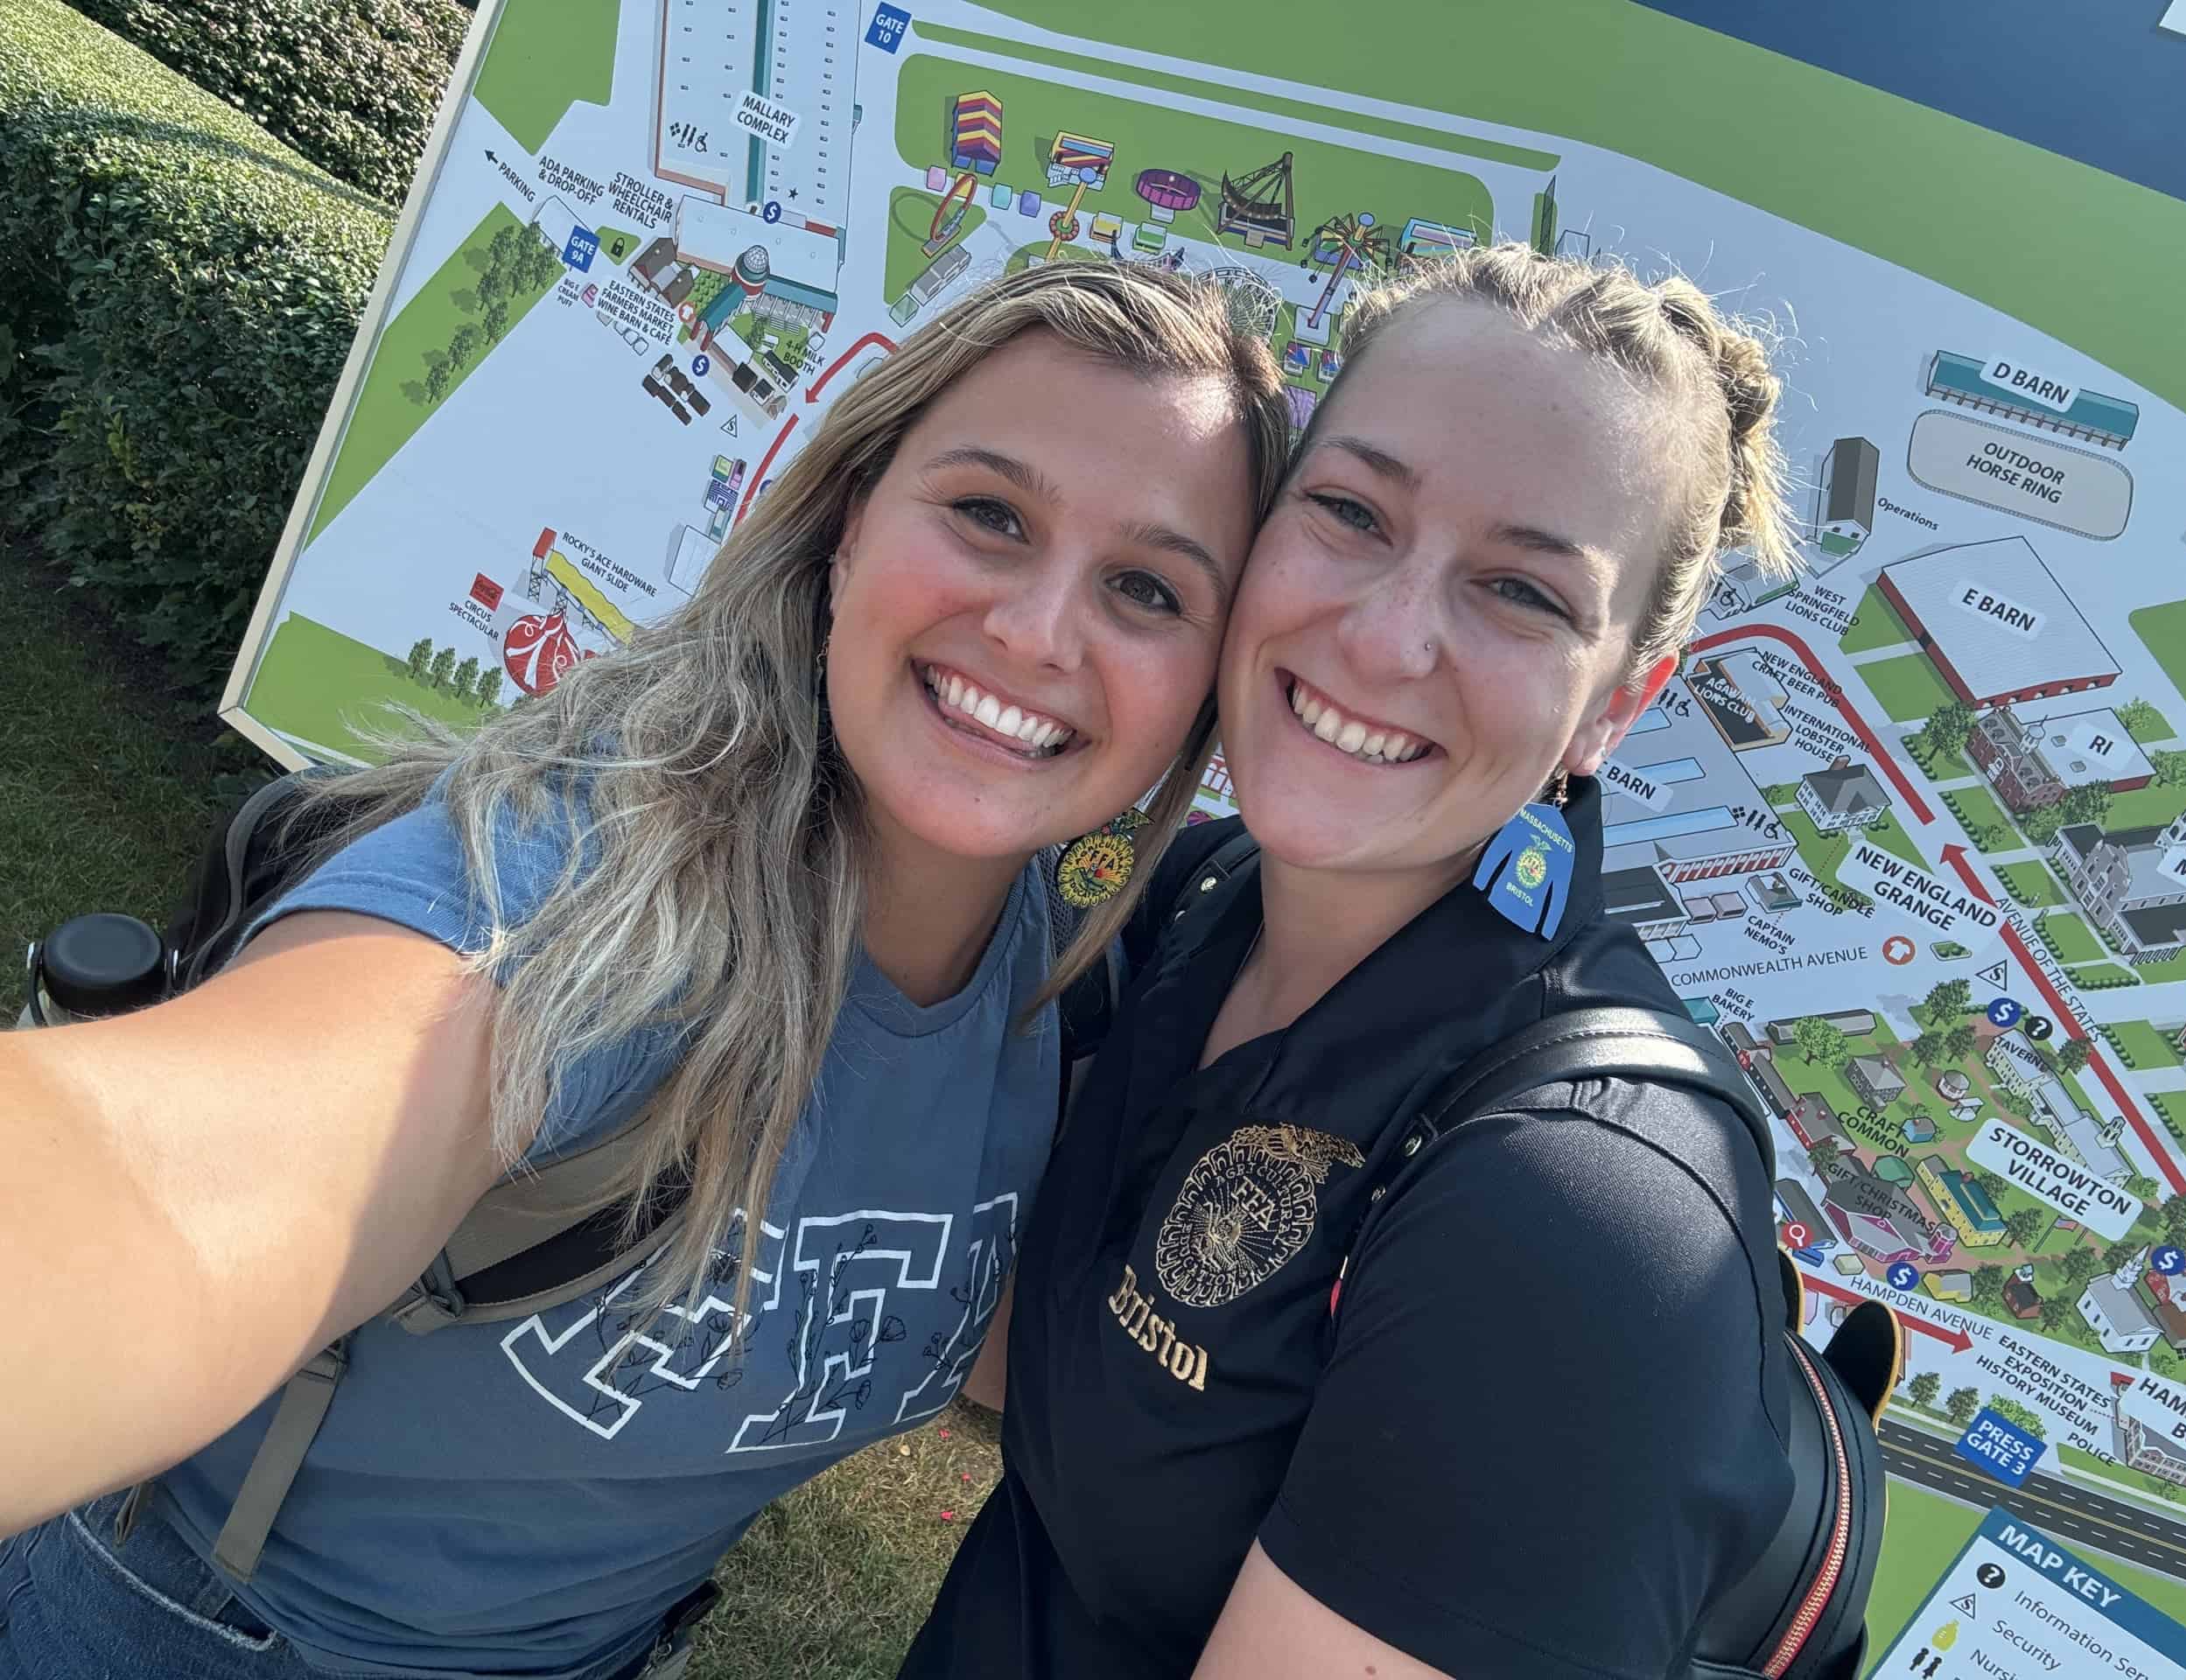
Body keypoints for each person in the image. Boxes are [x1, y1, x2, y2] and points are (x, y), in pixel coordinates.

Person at [0, 262, 1291, 1680]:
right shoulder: (572, 888)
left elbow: (977, 1336)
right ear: (847, 530)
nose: (1041, 631)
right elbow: (181, 1185)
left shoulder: (1070, 989)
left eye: (1148, 588)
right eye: (989, 513)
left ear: (1205, 688)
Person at [903, 242, 1810, 1680]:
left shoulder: (1577, 1210)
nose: (1388, 638)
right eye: (1349, 511)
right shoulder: (1188, 907)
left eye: (1522, 594)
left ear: (1614, 707)